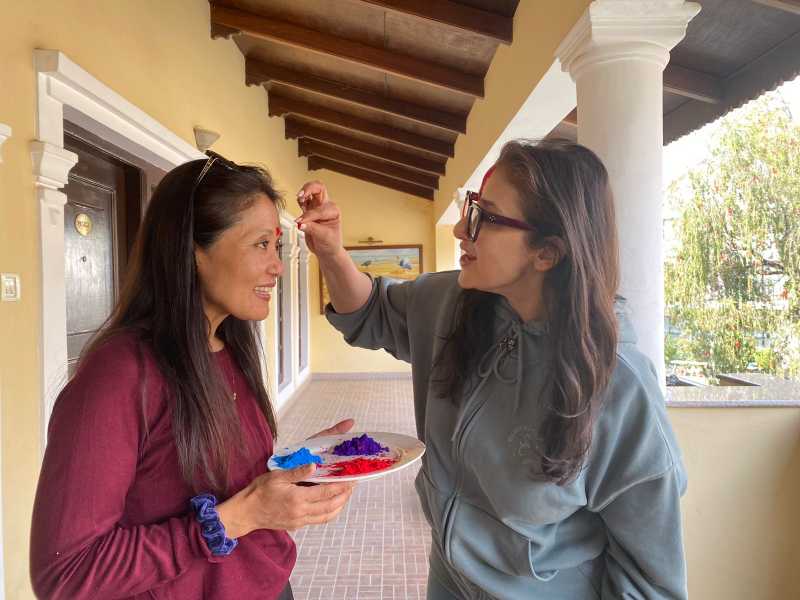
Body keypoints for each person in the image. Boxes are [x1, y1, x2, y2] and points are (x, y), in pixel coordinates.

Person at [296, 139, 688, 599]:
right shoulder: (450, 304)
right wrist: (330, 252)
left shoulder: (618, 386)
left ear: (548, 252)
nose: (462, 227)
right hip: (449, 581)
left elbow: (651, 582)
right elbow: (371, 311)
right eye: (472, 207)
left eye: (486, 217)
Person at [30, 152, 355, 600]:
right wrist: (238, 518)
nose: (278, 266)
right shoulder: (120, 375)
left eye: (276, 247)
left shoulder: (230, 347)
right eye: (261, 244)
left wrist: (300, 465)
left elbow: (214, 479)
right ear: (193, 250)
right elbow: (66, 575)